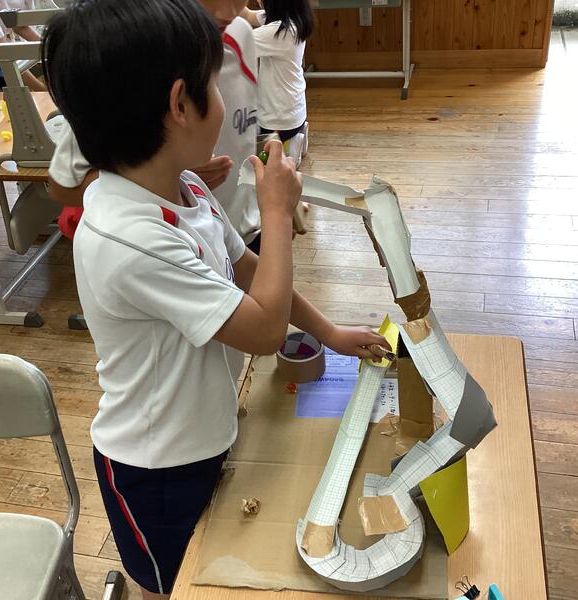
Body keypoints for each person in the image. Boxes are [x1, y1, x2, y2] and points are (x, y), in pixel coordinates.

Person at [42, 1, 389, 599]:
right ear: (181, 104)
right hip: (155, 468)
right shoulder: (130, 237)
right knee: (169, 586)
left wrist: (329, 333)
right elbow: (264, 331)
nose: (225, 98)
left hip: (203, 435)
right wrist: (275, 213)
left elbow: (248, 270)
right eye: (214, 83)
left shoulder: (185, 186)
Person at [47, 0, 264, 254]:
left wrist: (269, 202)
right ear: (178, 101)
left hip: (240, 235)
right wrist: (163, 171)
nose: (228, 12)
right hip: (173, 247)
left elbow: (244, 133)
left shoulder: (241, 34)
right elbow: (62, 187)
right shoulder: (131, 56)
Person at [242, 0, 312, 164]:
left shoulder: (277, 32)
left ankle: (287, 149)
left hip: (278, 119)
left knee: (258, 160)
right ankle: (295, 137)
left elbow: (234, 44)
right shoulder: (294, 21)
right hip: (293, 111)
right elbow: (247, 15)